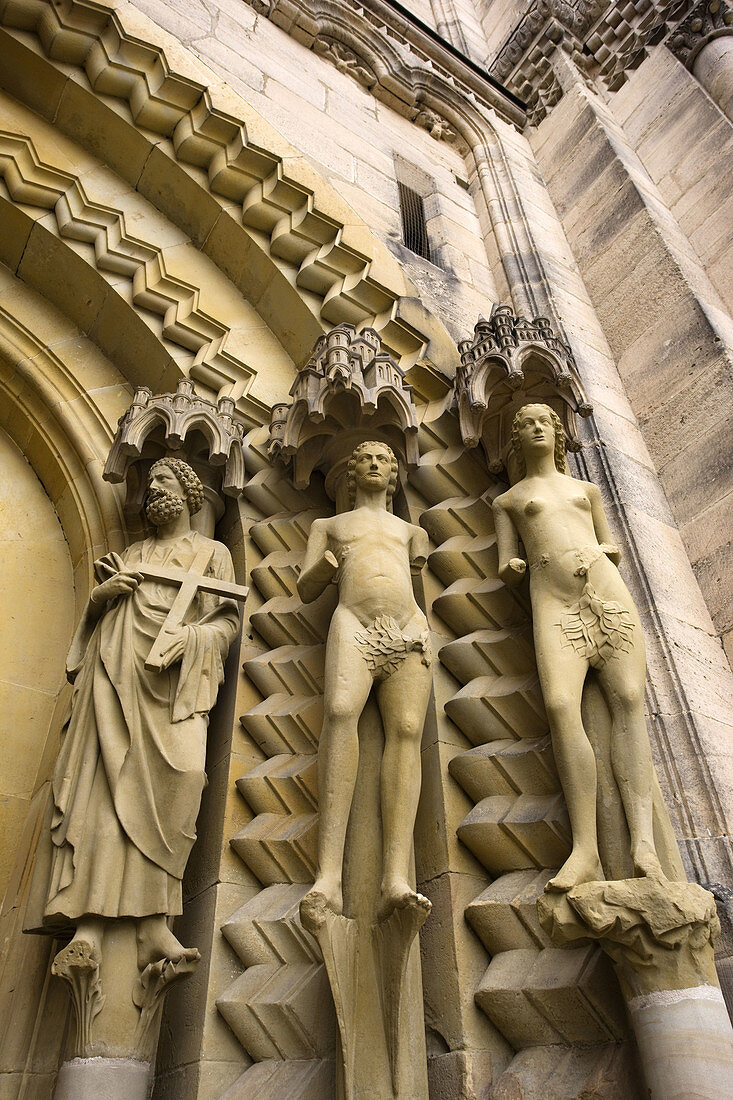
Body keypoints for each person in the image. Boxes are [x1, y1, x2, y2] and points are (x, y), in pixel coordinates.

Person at [44, 458, 240, 969]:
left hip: (175, 689)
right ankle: (87, 924)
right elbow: (95, 626)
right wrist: (97, 602)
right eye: (149, 482)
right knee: (105, 796)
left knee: (186, 780)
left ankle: (156, 921)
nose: (153, 488)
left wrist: (190, 639)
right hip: (114, 679)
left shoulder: (212, 553)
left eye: (165, 481)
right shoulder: (130, 554)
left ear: (190, 493)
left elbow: (226, 624)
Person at [492, 404, 666, 892]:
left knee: (629, 702)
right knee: (561, 705)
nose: (535, 430)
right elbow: (506, 559)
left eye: (543, 423)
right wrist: (513, 570)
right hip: (552, 602)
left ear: (557, 434)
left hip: (605, 592)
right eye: (525, 425)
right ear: (516, 441)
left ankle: (643, 844)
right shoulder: (509, 500)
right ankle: (585, 849)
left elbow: (609, 546)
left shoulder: (585, 491)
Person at [298, 441, 432, 924]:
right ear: (352, 473)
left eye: (384, 460)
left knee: (407, 733)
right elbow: (304, 587)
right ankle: (329, 876)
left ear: (394, 475)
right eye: (366, 458)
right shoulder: (329, 526)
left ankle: (396, 877)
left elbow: (416, 582)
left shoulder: (410, 532)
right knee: (338, 714)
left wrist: (414, 631)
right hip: (353, 623)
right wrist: (324, 568)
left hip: (408, 628)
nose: (374, 464)